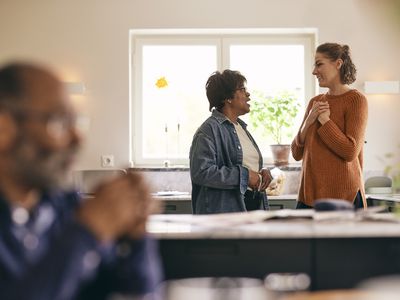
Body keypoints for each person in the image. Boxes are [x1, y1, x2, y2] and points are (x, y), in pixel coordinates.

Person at [0, 62, 162, 300]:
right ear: (4, 129)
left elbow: (134, 292)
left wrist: (134, 238)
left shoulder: (65, 207)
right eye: (58, 122)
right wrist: (86, 232)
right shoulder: (80, 224)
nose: (77, 138)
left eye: (76, 123)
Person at [291, 43, 368, 209]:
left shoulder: (356, 100)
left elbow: (350, 151)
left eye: (319, 64)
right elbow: (296, 153)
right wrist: (308, 122)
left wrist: (325, 121)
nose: (314, 71)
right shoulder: (315, 102)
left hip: (344, 198)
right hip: (308, 196)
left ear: (338, 64)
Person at [189, 69, 272, 214]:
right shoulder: (208, 130)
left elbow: (242, 165)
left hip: (250, 210)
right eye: (242, 89)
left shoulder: (241, 127)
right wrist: (245, 176)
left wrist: (261, 173)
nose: (248, 94)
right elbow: (202, 172)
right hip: (223, 216)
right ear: (227, 97)